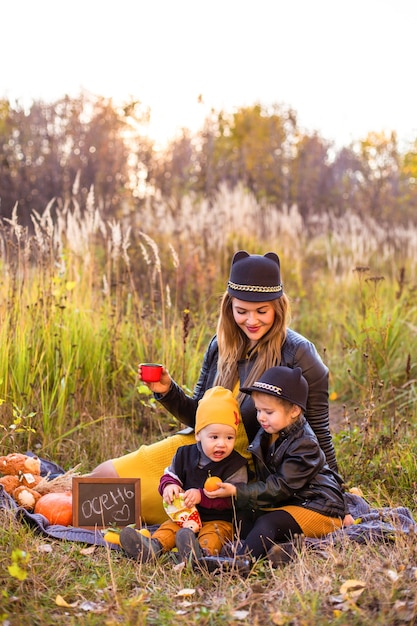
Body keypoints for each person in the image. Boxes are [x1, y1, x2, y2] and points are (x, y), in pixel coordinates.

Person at [91, 250, 352, 526]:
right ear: (230, 308)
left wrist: (338, 501)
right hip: (199, 448)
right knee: (101, 477)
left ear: (278, 307)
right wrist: (168, 391)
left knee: (131, 502)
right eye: (242, 311)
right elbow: (198, 417)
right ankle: (60, 501)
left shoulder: (299, 354)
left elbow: (320, 432)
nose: (251, 321)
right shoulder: (220, 346)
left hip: (239, 468)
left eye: (261, 311)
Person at [204, 366, 346, 564]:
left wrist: (238, 491)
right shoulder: (269, 431)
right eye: (258, 410)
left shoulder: (305, 444)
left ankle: (241, 561)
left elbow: (280, 486)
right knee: (244, 514)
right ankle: (276, 549)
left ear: (294, 410)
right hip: (292, 501)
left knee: (267, 522)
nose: (261, 417)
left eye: (268, 411)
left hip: (319, 506)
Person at [119, 386, 248, 563]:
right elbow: (170, 475)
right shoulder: (184, 455)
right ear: (198, 435)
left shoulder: (236, 464)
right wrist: (169, 486)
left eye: (229, 438)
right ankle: (152, 547)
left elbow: (238, 497)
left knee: (214, 533)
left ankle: (200, 554)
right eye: (214, 437)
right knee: (170, 528)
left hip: (219, 519)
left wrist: (201, 496)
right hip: (184, 516)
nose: (222, 444)